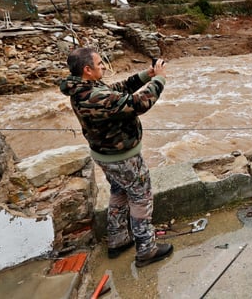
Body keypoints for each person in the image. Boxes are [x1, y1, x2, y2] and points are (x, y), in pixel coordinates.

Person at [60, 47, 173, 267]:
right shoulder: (95, 97)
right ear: (87, 69)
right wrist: (159, 80)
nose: (103, 66)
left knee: (119, 191)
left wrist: (146, 75)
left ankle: (118, 238)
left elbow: (118, 89)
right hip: (123, 158)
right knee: (141, 197)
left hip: (105, 155)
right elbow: (139, 103)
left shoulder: (81, 88)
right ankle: (146, 249)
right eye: (99, 63)